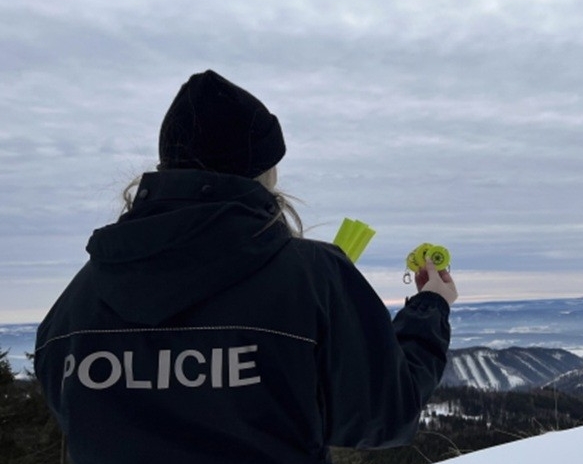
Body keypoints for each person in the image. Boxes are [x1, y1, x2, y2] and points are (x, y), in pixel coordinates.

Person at [34, 69, 457, 464]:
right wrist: (431, 308)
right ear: (264, 171)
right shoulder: (312, 275)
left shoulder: (77, 302)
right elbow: (384, 414)